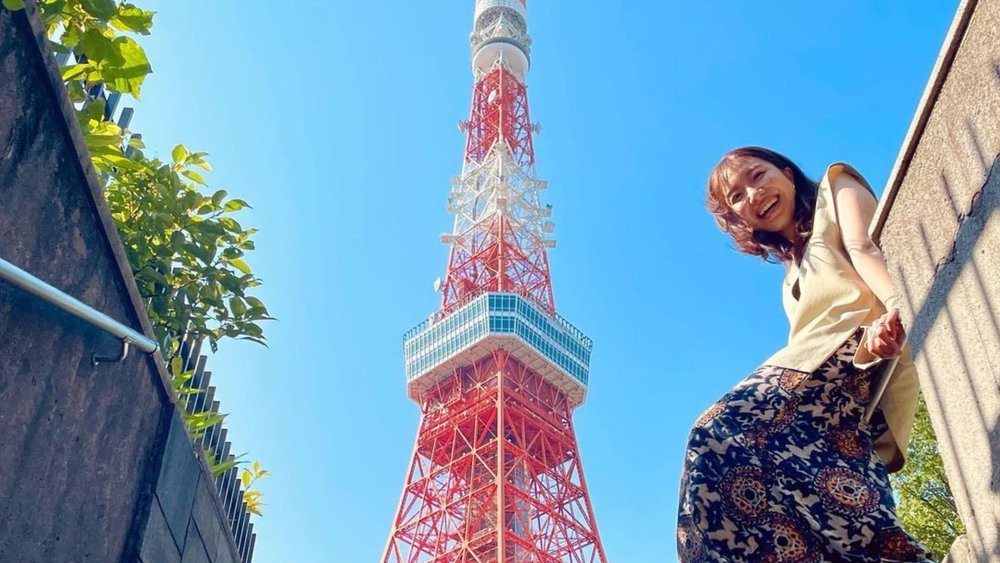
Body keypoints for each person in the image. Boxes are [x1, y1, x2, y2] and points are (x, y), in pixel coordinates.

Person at [676, 147, 930, 562]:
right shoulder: (789, 280)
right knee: (759, 498)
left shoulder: (836, 184)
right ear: (737, 220)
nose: (753, 195)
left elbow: (864, 247)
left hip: (849, 356)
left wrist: (898, 306)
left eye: (757, 176)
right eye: (736, 198)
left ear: (789, 174)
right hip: (825, 394)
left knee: (712, 434)